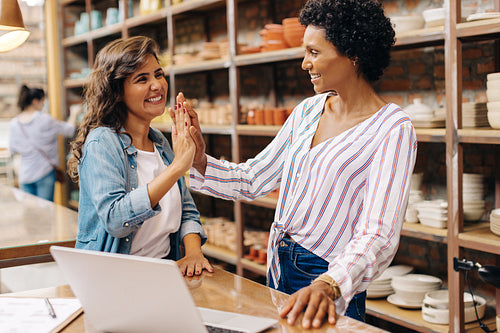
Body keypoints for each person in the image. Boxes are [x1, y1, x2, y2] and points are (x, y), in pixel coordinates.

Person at [171, 0, 418, 328]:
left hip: (329, 277)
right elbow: (253, 177)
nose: (305, 63)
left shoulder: (392, 128)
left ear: (354, 54)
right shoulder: (308, 111)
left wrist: (327, 285)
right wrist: (199, 157)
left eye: (314, 52)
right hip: (280, 263)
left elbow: (379, 233)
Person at [67, 36, 213, 277]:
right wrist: (176, 167)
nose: (157, 85)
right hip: (113, 280)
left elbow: (186, 209)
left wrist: (194, 253)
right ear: (117, 91)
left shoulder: (160, 142)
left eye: (158, 74)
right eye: (142, 79)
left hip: (165, 272)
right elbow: (116, 220)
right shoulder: (102, 142)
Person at [9, 85, 80, 201]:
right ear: (35, 101)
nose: (43, 105)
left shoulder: (14, 123)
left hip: (25, 175)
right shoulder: (44, 120)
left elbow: (13, 150)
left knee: (30, 212)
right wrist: (74, 114)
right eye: (43, 101)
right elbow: (69, 130)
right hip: (45, 173)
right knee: (45, 213)